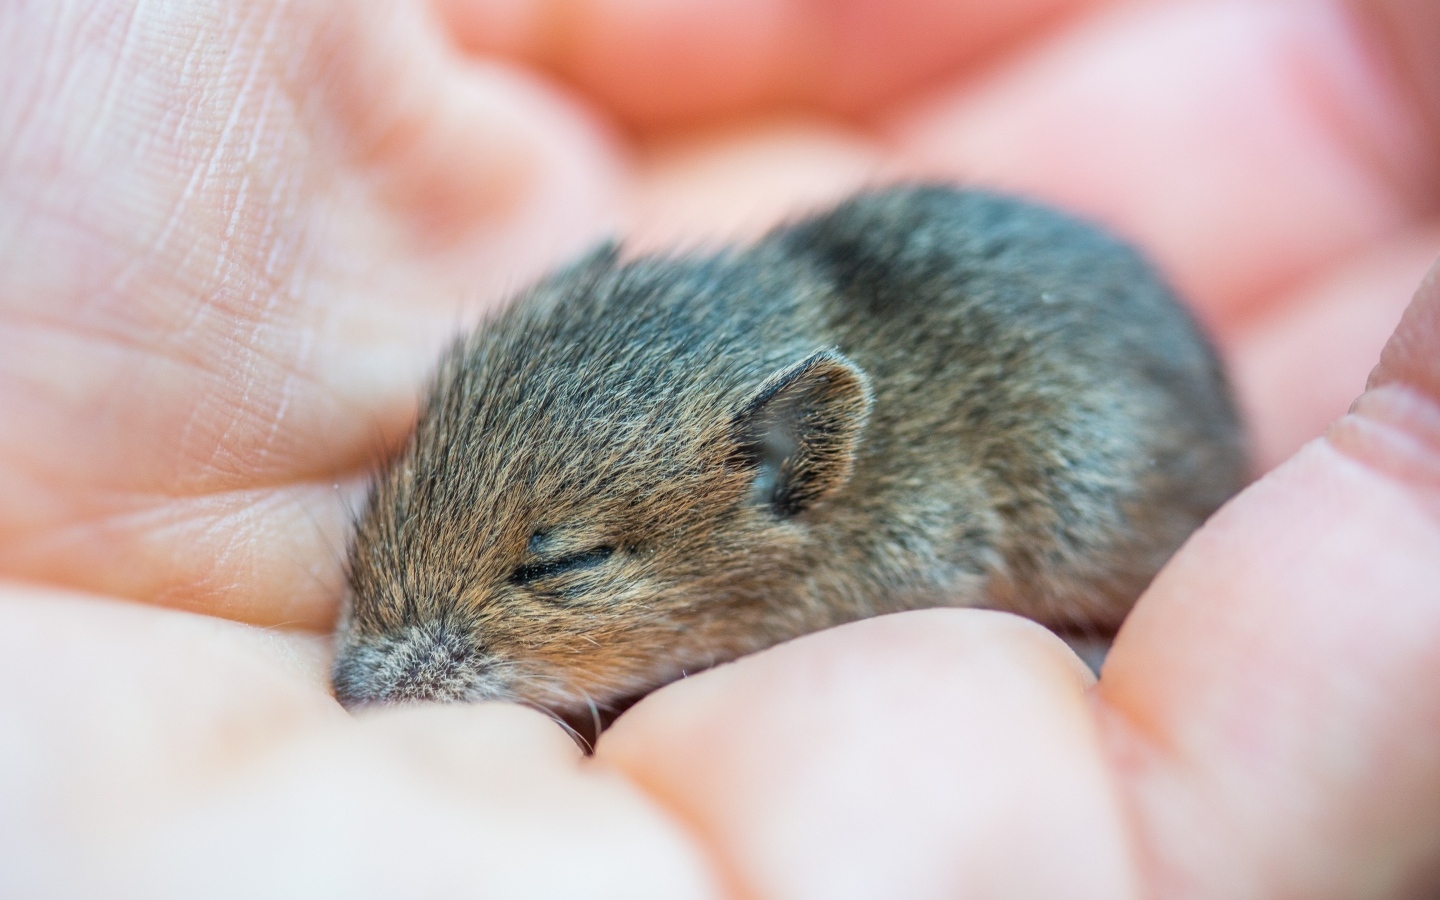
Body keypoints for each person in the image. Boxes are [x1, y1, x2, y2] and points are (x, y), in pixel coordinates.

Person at [1, 0, 1436, 895]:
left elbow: (929, 548)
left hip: (1086, 386)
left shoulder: (831, 497)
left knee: (1079, 488)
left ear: (785, 472)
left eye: (550, 565)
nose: (381, 661)